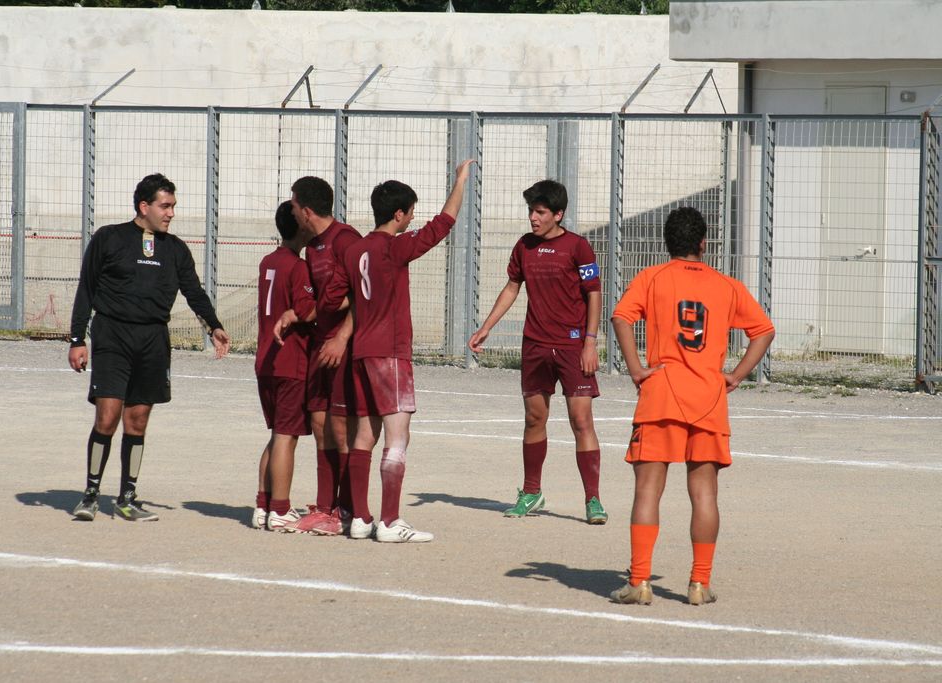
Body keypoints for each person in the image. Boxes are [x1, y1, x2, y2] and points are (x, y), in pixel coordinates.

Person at [608, 206, 774, 606]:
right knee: (704, 495)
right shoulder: (726, 285)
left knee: (648, 490)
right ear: (703, 243)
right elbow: (764, 331)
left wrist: (636, 369)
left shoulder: (652, 278)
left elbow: (620, 317)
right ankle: (699, 583)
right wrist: (736, 375)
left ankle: (640, 581)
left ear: (667, 243)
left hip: (661, 394)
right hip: (708, 399)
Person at [321, 159, 475, 542]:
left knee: (364, 435)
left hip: (360, 353)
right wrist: (460, 182)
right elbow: (443, 224)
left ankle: (360, 519)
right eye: (410, 212)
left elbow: (330, 300)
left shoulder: (353, 251)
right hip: (390, 353)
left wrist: (361, 301)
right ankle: (389, 521)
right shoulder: (393, 247)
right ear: (398, 214)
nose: (412, 218)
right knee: (397, 436)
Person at [68, 173, 230, 522]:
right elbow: (87, 288)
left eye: (173, 206)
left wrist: (214, 326)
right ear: (144, 206)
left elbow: (194, 291)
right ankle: (91, 494)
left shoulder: (176, 249)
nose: (171, 213)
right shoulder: (109, 238)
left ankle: (127, 498)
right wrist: (77, 339)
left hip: (153, 340)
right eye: (165, 206)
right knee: (107, 417)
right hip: (112, 335)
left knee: (137, 421)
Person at [468, 180, 608, 525]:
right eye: (531, 211)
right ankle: (531, 492)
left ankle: (593, 499)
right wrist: (487, 326)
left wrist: (590, 341)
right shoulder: (524, 246)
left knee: (581, 420)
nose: (533, 217)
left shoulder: (578, 247)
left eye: (540, 212)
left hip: (573, 346)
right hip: (535, 345)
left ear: (558, 214)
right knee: (534, 419)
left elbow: (594, 293)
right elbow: (512, 287)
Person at [286, 176, 362, 535]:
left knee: (341, 430)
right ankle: (326, 506)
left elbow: (364, 295)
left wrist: (343, 338)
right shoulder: (312, 247)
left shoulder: (346, 240)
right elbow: (322, 300)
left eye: (293, 205)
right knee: (320, 426)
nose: (291, 211)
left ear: (306, 210)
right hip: (321, 346)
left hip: (343, 347)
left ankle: (346, 509)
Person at [252, 201, 316, 531]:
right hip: (290, 361)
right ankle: (280, 509)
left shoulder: (268, 261)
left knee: (277, 434)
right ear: (302, 226)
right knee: (286, 437)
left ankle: (263, 505)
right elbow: (307, 309)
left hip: (266, 360)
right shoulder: (298, 266)